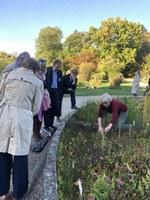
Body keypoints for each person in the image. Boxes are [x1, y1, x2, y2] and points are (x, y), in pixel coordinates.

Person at [0, 58, 44, 200]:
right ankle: (18, 194)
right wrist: (25, 111)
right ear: (35, 70)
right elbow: (36, 107)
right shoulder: (37, 82)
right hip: (23, 116)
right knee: (20, 154)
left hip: (5, 114)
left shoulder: (8, 75)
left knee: (3, 152)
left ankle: (2, 192)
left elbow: (1, 95)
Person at [33, 58, 51, 141]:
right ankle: (35, 134)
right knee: (36, 116)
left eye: (44, 66)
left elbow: (47, 85)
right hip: (37, 97)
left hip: (44, 98)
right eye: (41, 66)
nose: (43, 67)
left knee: (41, 116)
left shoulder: (45, 74)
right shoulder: (35, 74)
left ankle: (38, 132)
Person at [44, 59, 62, 134]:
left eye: (59, 67)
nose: (58, 69)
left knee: (54, 108)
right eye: (57, 67)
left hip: (55, 91)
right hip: (48, 91)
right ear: (53, 64)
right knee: (48, 109)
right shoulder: (47, 70)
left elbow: (59, 81)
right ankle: (46, 126)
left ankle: (51, 124)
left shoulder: (60, 72)